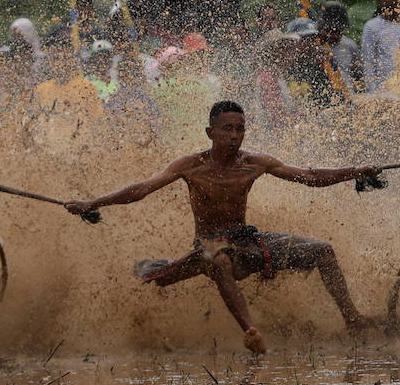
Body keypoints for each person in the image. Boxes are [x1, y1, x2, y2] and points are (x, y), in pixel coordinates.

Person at [63, 101, 378, 353]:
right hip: (209, 244)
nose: (234, 136)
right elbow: (142, 188)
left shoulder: (255, 163)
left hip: (246, 239)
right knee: (219, 258)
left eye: (240, 129)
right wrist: (93, 203)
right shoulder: (191, 165)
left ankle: (353, 319)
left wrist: (355, 171)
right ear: (210, 132)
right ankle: (251, 333)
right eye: (227, 129)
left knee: (323, 251)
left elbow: (309, 176)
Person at [319, 2, 363, 92]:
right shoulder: (316, 47)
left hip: (348, 97)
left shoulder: (350, 46)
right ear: (323, 28)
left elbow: (359, 74)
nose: (335, 35)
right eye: (331, 31)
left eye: (338, 31)